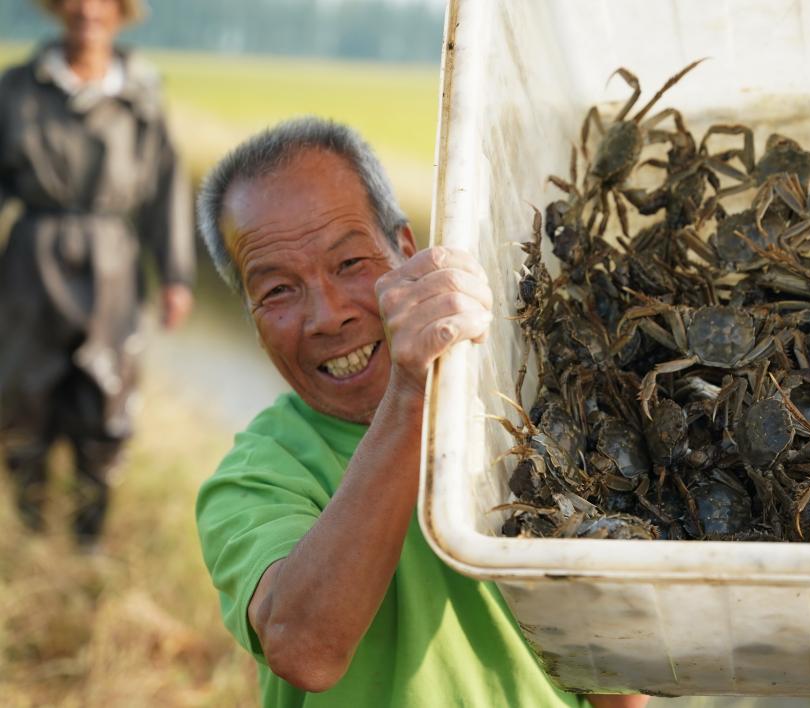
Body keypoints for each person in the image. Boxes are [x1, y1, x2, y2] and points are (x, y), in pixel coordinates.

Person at [194, 116, 647, 707]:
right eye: (277, 290)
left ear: (405, 250)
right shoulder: (258, 473)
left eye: (350, 263)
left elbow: (611, 667)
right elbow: (303, 648)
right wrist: (412, 392)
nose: (327, 315)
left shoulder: (524, 414)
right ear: (251, 317)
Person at [0, 0, 194, 545]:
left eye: (101, 0)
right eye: (76, 0)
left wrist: (175, 276)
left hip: (113, 260)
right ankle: (30, 530)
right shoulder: (17, 87)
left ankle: (89, 538)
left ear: (120, 12)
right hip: (31, 258)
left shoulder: (140, 94)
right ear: (59, 10)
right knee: (22, 394)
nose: (88, 10)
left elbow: (165, 189)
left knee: (107, 398)